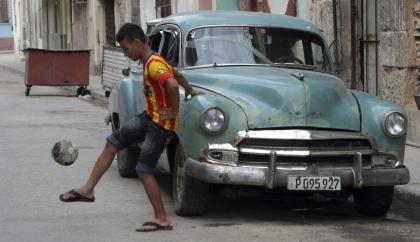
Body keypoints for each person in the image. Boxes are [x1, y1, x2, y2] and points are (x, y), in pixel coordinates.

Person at [59, 23, 199, 232]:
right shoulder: (151, 60)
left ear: (137, 42)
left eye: (125, 49)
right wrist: (189, 90)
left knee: (143, 170)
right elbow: (176, 73)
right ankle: (88, 190)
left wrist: (173, 111)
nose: (125, 53)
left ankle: (162, 218)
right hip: (148, 117)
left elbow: (171, 84)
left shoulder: (153, 64)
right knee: (112, 141)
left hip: (159, 125)